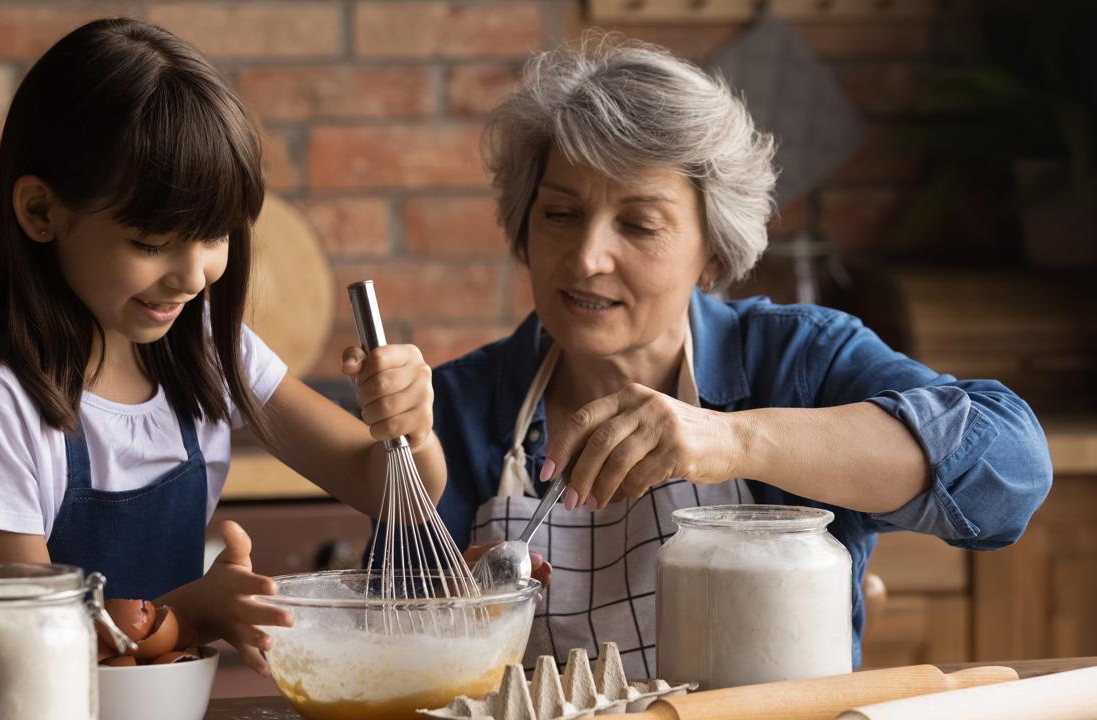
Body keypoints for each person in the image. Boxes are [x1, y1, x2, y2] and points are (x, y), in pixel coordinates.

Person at [436, 35, 1053, 679]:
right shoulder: (457, 409)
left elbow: (1010, 472)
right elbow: (384, 643)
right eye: (560, 213)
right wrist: (443, 621)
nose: (587, 258)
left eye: (640, 225)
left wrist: (734, 440)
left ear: (714, 256)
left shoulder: (799, 360)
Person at [0, 18, 443, 677]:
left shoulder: (211, 354)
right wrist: (189, 617)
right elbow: (20, 643)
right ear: (41, 213)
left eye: (215, 236)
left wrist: (410, 431)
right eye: (151, 242)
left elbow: (395, 492)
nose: (194, 277)